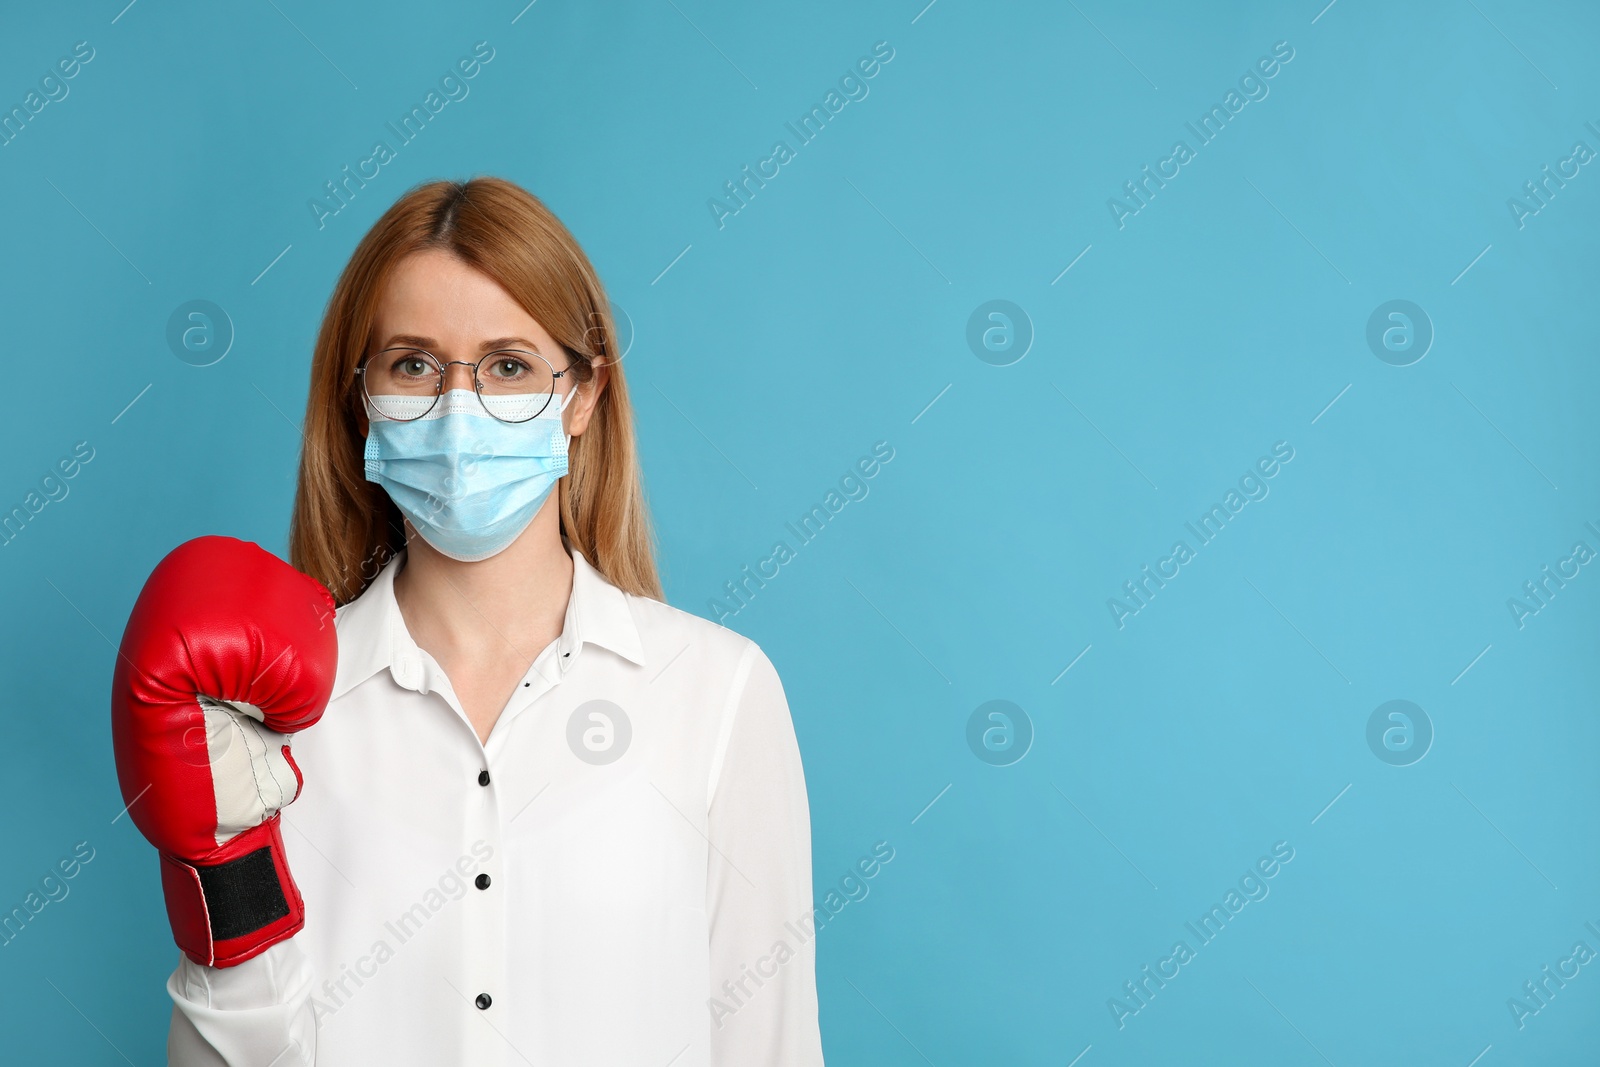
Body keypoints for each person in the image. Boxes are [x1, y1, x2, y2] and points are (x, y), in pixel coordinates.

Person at [111, 176, 825, 1065]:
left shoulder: (716, 696)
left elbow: (770, 1044)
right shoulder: (267, 731)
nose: (458, 408)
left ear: (582, 397)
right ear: (360, 393)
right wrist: (221, 868)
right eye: (413, 363)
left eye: (508, 365)